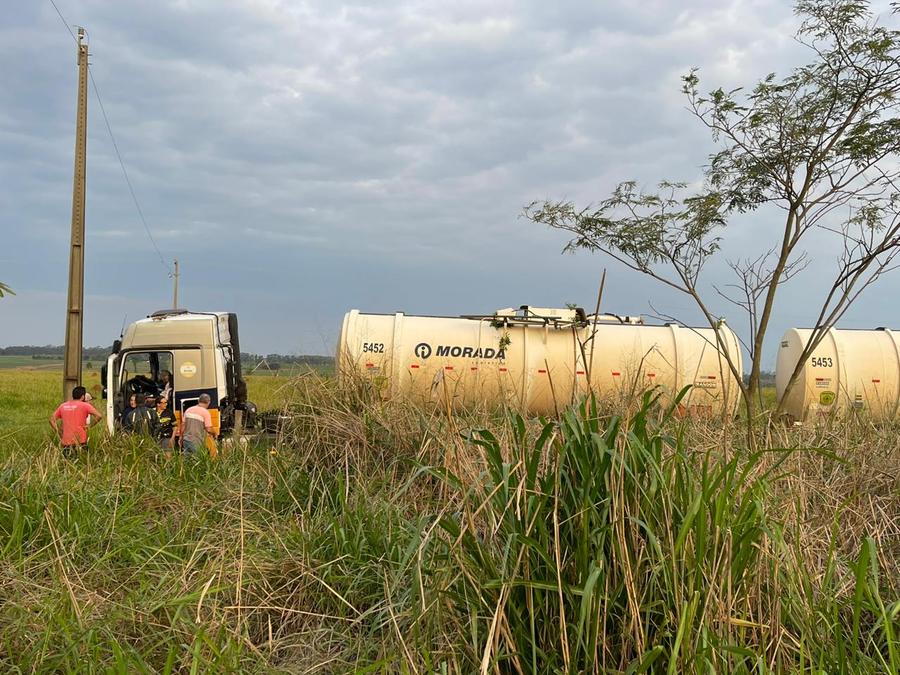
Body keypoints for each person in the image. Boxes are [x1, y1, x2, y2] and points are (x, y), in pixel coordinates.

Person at [50, 386, 103, 457]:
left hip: (66, 441)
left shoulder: (63, 406)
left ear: (73, 395)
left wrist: (58, 431)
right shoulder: (85, 405)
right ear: (83, 396)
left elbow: (51, 420)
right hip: (81, 440)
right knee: (82, 463)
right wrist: (90, 426)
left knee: (67, 463)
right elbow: (99, 416)